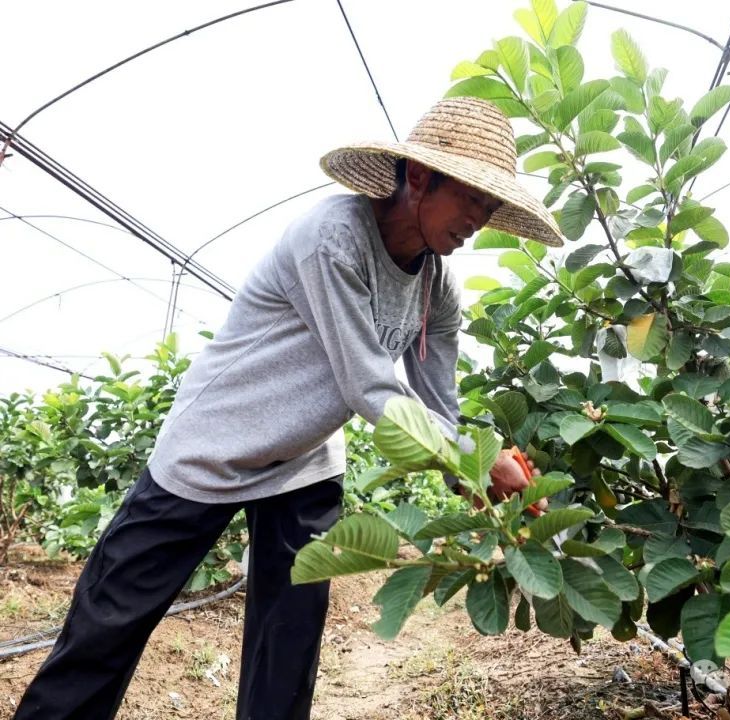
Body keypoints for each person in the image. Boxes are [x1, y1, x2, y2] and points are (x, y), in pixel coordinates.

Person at [14, 96, 566, 720]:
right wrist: (480, 460)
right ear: (419, 177)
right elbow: (369, 387)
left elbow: (439, 406)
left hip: (305, 460)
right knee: (109, 623)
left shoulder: (437, 289)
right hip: (213, 447)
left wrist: (477, 478)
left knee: (289, 646)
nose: (478, 220)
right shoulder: (332, 237)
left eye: (489, 207)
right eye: (470, 198)